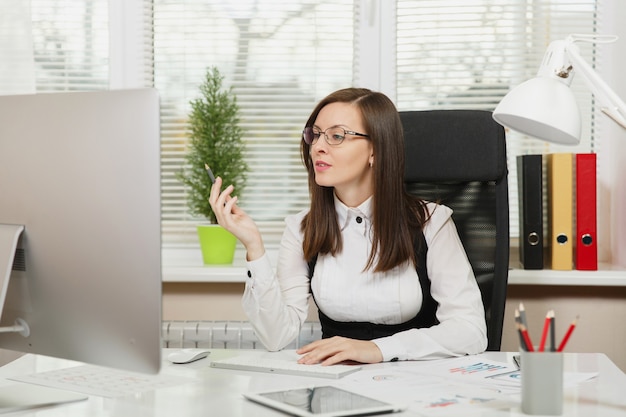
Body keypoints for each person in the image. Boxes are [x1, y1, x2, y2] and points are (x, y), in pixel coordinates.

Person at [209, 87, 487, 366]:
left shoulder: (432, 221)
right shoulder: (301, 228)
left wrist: (377, 349)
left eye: (337, 136)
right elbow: (276, 336)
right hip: (332, 385)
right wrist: (254, 247)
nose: (318, 146)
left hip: (416, 382)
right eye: (315, 134)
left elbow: (470, 331)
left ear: (376, 151)